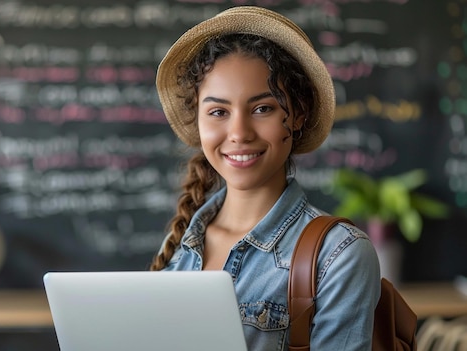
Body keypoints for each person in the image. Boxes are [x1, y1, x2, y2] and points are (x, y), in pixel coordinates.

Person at [150, 6, 381, 351]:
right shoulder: (179, 241)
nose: (239, 133)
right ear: (197, 119)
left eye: (263, 108)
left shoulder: (339, 254)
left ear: (298, 114)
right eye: (218, 112)